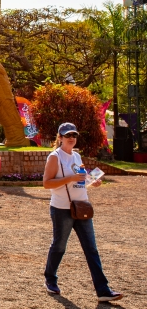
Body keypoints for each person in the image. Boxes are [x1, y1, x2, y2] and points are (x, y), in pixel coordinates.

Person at [42, 122, 123, 302]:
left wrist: (91, 182)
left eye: (74, 135)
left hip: (82, 206)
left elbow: (80, 180)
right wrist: (70, 178)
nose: (71, 138)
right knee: (59, 246)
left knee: (91, 249)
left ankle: (103, 290)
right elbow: (47, 183)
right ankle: (50, 278)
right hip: (62, 208)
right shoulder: (55, 157)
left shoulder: (77, 156)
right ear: (60, 137)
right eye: (67, 135)